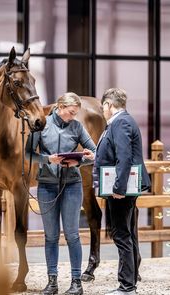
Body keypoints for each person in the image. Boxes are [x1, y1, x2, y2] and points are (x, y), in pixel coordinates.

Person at [25, 92, 96, 295]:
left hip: (72, 185)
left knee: (72, 235)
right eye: (71, 113)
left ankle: (76, 283)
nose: (73, 117)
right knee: (51, 236)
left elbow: (96, 152)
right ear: (60, 107)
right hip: (46, 186)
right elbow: (28, 153)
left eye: (75, 114)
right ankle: (52, 282)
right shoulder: (42, 125)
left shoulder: (77, 127)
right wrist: (48, 159)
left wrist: (80, 160)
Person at [84, 88, 150, 295]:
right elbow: (114, 153)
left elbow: (124, 157)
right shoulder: (122, 121)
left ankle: (127, 286)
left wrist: (119, 189)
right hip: (121, 187)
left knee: (122, 235)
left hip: (121, 189)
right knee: (123, 234)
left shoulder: (120, 122)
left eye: (103, 106)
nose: (103, 110)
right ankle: (127, 284)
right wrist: (95, 156)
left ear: (109, 105)